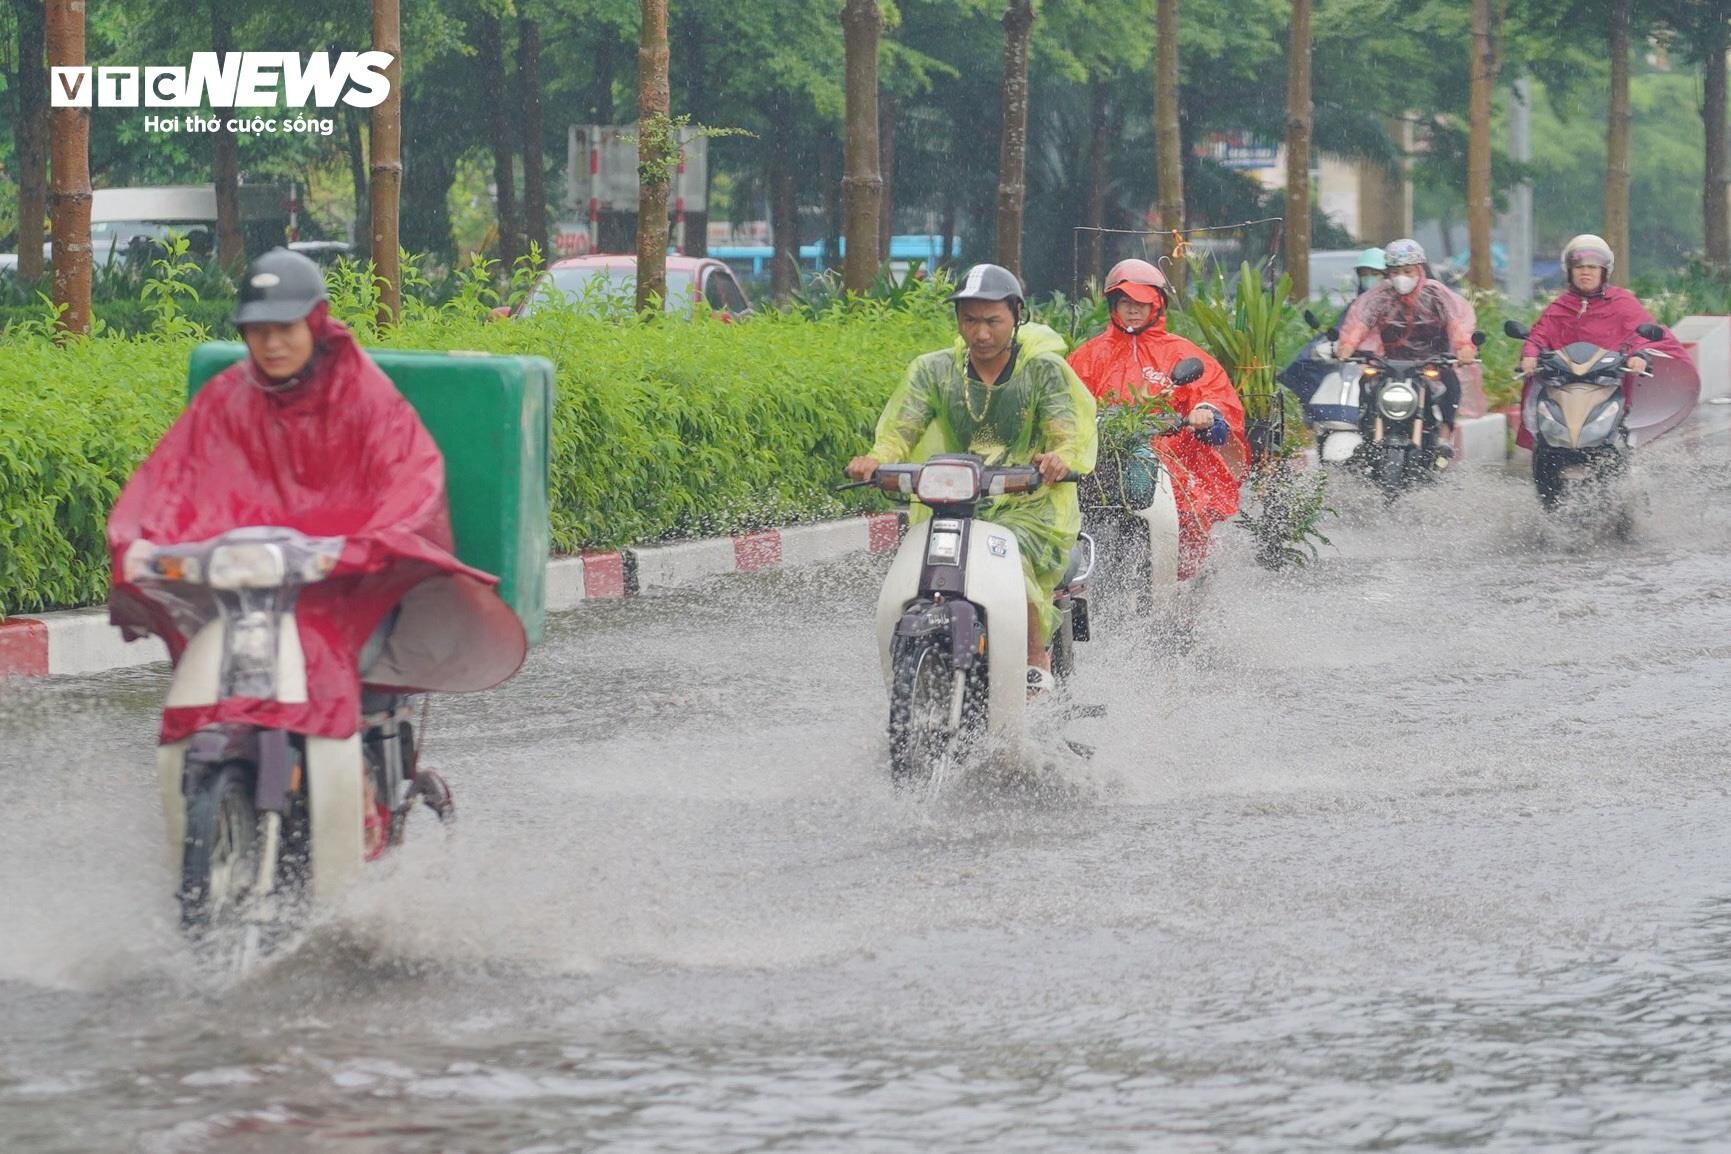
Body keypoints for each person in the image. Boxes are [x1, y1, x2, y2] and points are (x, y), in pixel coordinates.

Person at [108, 248, 526, 746]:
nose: (272, 343)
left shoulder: (365, 397)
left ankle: (361, 797)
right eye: (259, 331)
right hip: (251, 592)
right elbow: (172, 482)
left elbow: (412, 483)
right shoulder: (225, 398)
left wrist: (372, 545)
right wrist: (140, 542)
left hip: (347, 589)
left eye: (285, 328)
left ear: (315, 322)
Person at [846, 263, 1097, 693]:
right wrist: (876, 458)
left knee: (1011, 558)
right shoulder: (933, 370)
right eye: (969, 320)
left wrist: (1057, 458)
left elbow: (1065, 432)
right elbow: (900, 430)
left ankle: (1036, 665)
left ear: (1017, 315)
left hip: (1030, 501)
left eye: (992, 320)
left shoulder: (1043, 371)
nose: (980, 333)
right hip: (957, 500)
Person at [1066, 258, 1247, 580]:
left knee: (1192, 508)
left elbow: (1213, 393)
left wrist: (1209, 416)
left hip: (1171, 457)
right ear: (1113, 306)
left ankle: (1184, 583)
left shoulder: (1180, 352)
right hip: (1103, 458)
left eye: (1142, 303)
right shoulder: (1088, 356)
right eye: (1126, 303)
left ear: (1157, 305)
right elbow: (1065, 402)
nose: (1133, 310)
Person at [1332, 238, 1478, 452]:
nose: (1402, 277)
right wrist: (1346, 345)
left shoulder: (1436, 295)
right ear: (1389, 273)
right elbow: (1359, 322)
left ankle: (1444, 436)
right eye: (1396, 271)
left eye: (1408, 271)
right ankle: (1367, 433)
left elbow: (1457, 323)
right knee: (1366, 385)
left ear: (1419, 270)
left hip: (1432, 363)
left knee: (1451, 386)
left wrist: (1464, 347)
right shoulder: (1379, 297)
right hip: (1388, 364)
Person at [1277, 246, 1387, 407]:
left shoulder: (1401, 306)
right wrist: (1342, 346)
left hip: (1397, 367)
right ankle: (1313, 416)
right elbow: (1346, 330)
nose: (1369, 279)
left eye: (1375, 274)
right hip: (1359, 364)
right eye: (1365, 274)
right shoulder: (1357, 306)